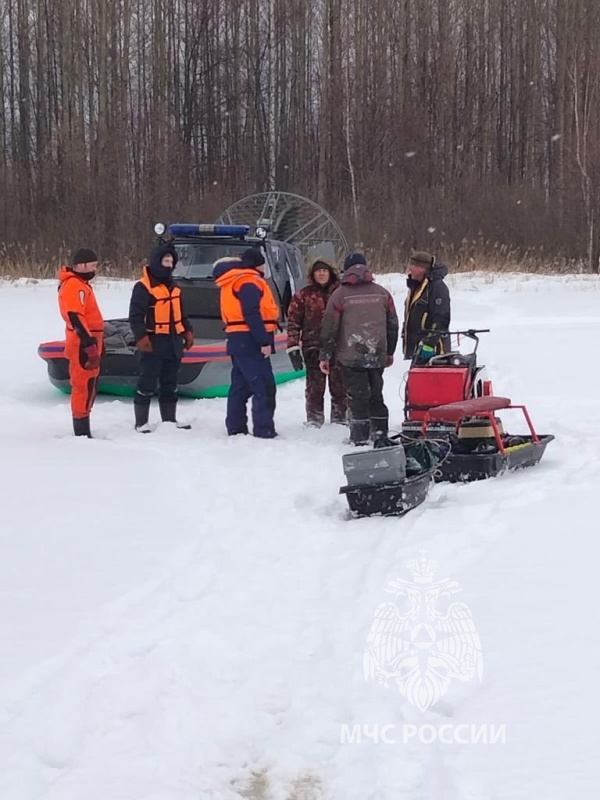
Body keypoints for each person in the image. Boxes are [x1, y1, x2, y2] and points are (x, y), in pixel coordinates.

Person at [319, 252, 399, 446]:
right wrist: (389, 351)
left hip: (351, 355)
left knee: (357, 395)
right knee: (376, 393)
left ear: (346, 270)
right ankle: (379, 432)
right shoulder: (382, 293)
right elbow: (393, 325)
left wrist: (325, 355)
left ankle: (359, 436)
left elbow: (330, 327)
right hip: (377, 353)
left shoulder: (339, 295)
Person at [212, 246, 280, 438]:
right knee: (264, 386)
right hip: (250, 340)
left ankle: (235, 427)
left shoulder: (233, 281)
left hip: (237, 340)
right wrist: (263, 341)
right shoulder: (249, 282)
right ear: (258, 264)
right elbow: (251, 313)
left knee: (241, 387)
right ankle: (263, 429)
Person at [128, 243, 195, 432]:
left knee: (170, 382)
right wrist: (141, 337)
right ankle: (141, 422)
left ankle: (169, 420)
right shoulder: (142, 287)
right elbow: (135, 316)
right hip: (153, 342)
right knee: (147, 382)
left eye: (171, 261)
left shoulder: (175, 287)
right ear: (157, 262)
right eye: (166, 260)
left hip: (173, 342)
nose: (169, 264)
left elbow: (181, 314)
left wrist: (187, 332)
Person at [286, 257, 347, 427]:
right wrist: (292, 345)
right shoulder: (303, 295)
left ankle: (340, 419)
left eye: (324, 270)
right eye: (318, 271)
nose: (321, 274)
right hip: (312, 346)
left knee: (340, 386)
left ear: (330, 273)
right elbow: (293, 322)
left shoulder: (341, 293)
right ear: (312, 274)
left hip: (338, 346)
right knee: (314, 388)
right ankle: (314, 419)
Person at [57, 247, 104, 438]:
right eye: (92, 265)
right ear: (82, 265)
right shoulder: (73, 285)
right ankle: (81, 431)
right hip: (81, 343)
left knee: (89, 384)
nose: (94, 269)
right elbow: (75, 316)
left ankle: (84, 426)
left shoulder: (81, 284)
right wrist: (88, 342)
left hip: (90, 340)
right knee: (83, 385)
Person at [402, 250, 451, 361]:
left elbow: (441, 318)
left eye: (413, 266)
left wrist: (429, 343)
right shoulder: (416, 287)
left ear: (422, 268)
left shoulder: (436, 287)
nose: (410, 269)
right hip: (418, 349)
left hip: (434, 351)